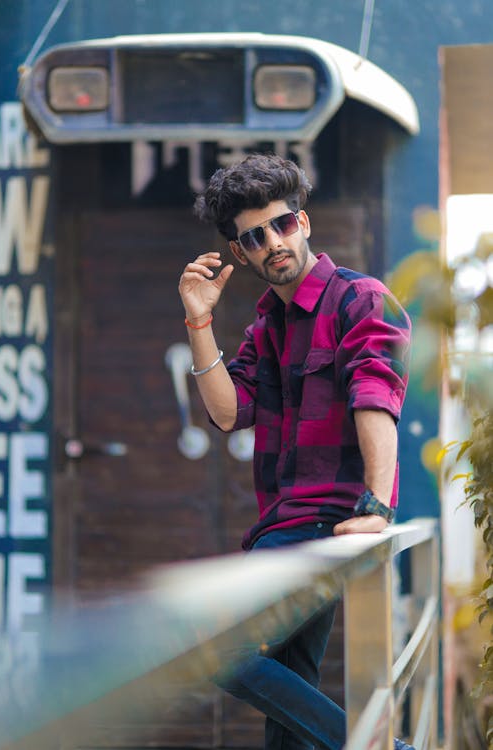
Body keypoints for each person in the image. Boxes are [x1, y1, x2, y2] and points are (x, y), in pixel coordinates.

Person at [178, 153, 414, 750]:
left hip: (322, 525)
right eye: (253, 237)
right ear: (239, 252)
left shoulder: (360, 299)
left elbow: (376, 397)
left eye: (282, 225)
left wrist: (378, 505)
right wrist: (198, 323)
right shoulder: (265, 328)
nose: (272, 243)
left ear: (303, 223)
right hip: (282, 527)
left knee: (215, 643)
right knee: (290, 697)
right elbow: (230, 412)